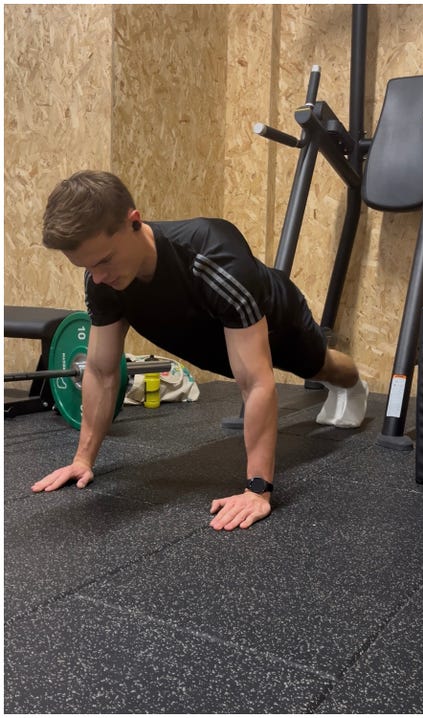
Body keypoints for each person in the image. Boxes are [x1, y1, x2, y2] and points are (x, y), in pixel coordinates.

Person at [33, 170, 369, 531]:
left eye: (103, 261)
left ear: (134, 221)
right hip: (209, 342)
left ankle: (353, 385)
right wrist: (83, 460)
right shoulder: (104, 281)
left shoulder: (211, 253)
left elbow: (257, 382)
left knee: (321, 367)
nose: (97, 277)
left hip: (277, 325)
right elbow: (100, 371)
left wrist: (257, 490)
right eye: (86, 267)